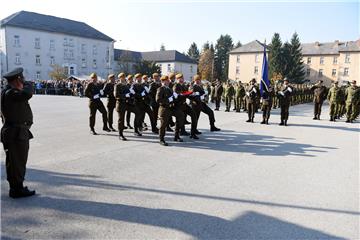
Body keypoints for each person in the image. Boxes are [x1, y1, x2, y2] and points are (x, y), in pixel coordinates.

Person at [1, 67, 36, 198]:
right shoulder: (11, 93)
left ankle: (16, 187)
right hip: (15, 133)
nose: (23, 81)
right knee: (17, 162)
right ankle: (16, 189)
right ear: (17, 80)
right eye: (21, 78)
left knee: (16, 162)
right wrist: (26, 83)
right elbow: (28, 93)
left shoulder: (8, 92)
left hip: (15, 132)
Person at [156, 75, 185, 146]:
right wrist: (168, 100)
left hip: (171, 108)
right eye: (166, 81)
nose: (168, 82)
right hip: (164, 108)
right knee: (163, 124)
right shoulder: (160, 89)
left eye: (168, 81)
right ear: (163, 81)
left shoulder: (169, 89)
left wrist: (178, 96)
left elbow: (174, 98)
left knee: (181, 115)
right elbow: (158, 100)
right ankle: (161, 139)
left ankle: (176, 136)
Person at [173, 73, 199, 139]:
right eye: (179, 79)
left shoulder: (184, 86)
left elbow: (187, 94)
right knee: (179, 120)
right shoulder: (175, 86)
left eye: (182, 78)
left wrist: (193, 97)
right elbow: (178, 96)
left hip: (184, 104)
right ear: (177, 79)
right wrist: (186, 94)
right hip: (178, 105)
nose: (181, 80)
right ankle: (177, 135)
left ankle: (192, 133)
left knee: (194, 115)